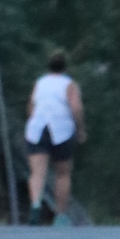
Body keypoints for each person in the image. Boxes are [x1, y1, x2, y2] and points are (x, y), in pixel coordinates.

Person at [23, 51, 85, 222]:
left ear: (48, 67)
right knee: (62, 174)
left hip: (38, 128)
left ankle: (35, 206)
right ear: (65, 68)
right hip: (62, 129)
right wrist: (80, 129)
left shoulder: (40, 83)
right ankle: (60, 214)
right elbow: (76, 108)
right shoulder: (69, 84)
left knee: (37, 173)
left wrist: (33, 121)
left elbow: (31, 106)